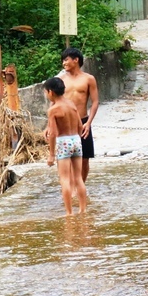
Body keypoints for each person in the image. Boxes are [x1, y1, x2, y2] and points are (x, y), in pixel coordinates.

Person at [44, 76, 88, 215]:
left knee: (65, 179)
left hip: (63, 141)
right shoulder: (71, 104)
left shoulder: (54, 109)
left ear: (50, 92)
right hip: (76, 139)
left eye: (46, 92)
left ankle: (69, 213)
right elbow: (80, 126)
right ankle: (83, 209)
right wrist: (76, 138)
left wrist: (51, 155)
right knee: (78, 178)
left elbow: (52, 133)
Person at [57, 47, 99, 183]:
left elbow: (95, 102)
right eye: (63, 60)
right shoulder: (60, 80)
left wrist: (89, 123)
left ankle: (81, 186)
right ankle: (69, 187)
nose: (64, 63)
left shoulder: (88, 79)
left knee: (85, 158)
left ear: (76, 60)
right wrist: (50, 125)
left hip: (83, 122)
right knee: (66, 157)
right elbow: (55, 103)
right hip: (65, 123)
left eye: (66, 60)